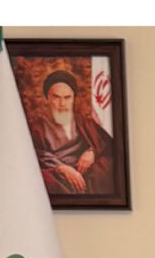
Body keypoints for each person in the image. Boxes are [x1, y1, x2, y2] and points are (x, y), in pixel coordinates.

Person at [31, 68, 114, 197]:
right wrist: (62, 168)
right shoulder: (37, 128)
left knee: (107, 166)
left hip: (86, 173)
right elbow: (35, 155)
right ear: (47, 98)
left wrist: (92, 152)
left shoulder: (84, 122)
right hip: (58, 175)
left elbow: (106, 144)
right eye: (56, 97)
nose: (62, 103)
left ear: (73, 98)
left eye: (67, 98)